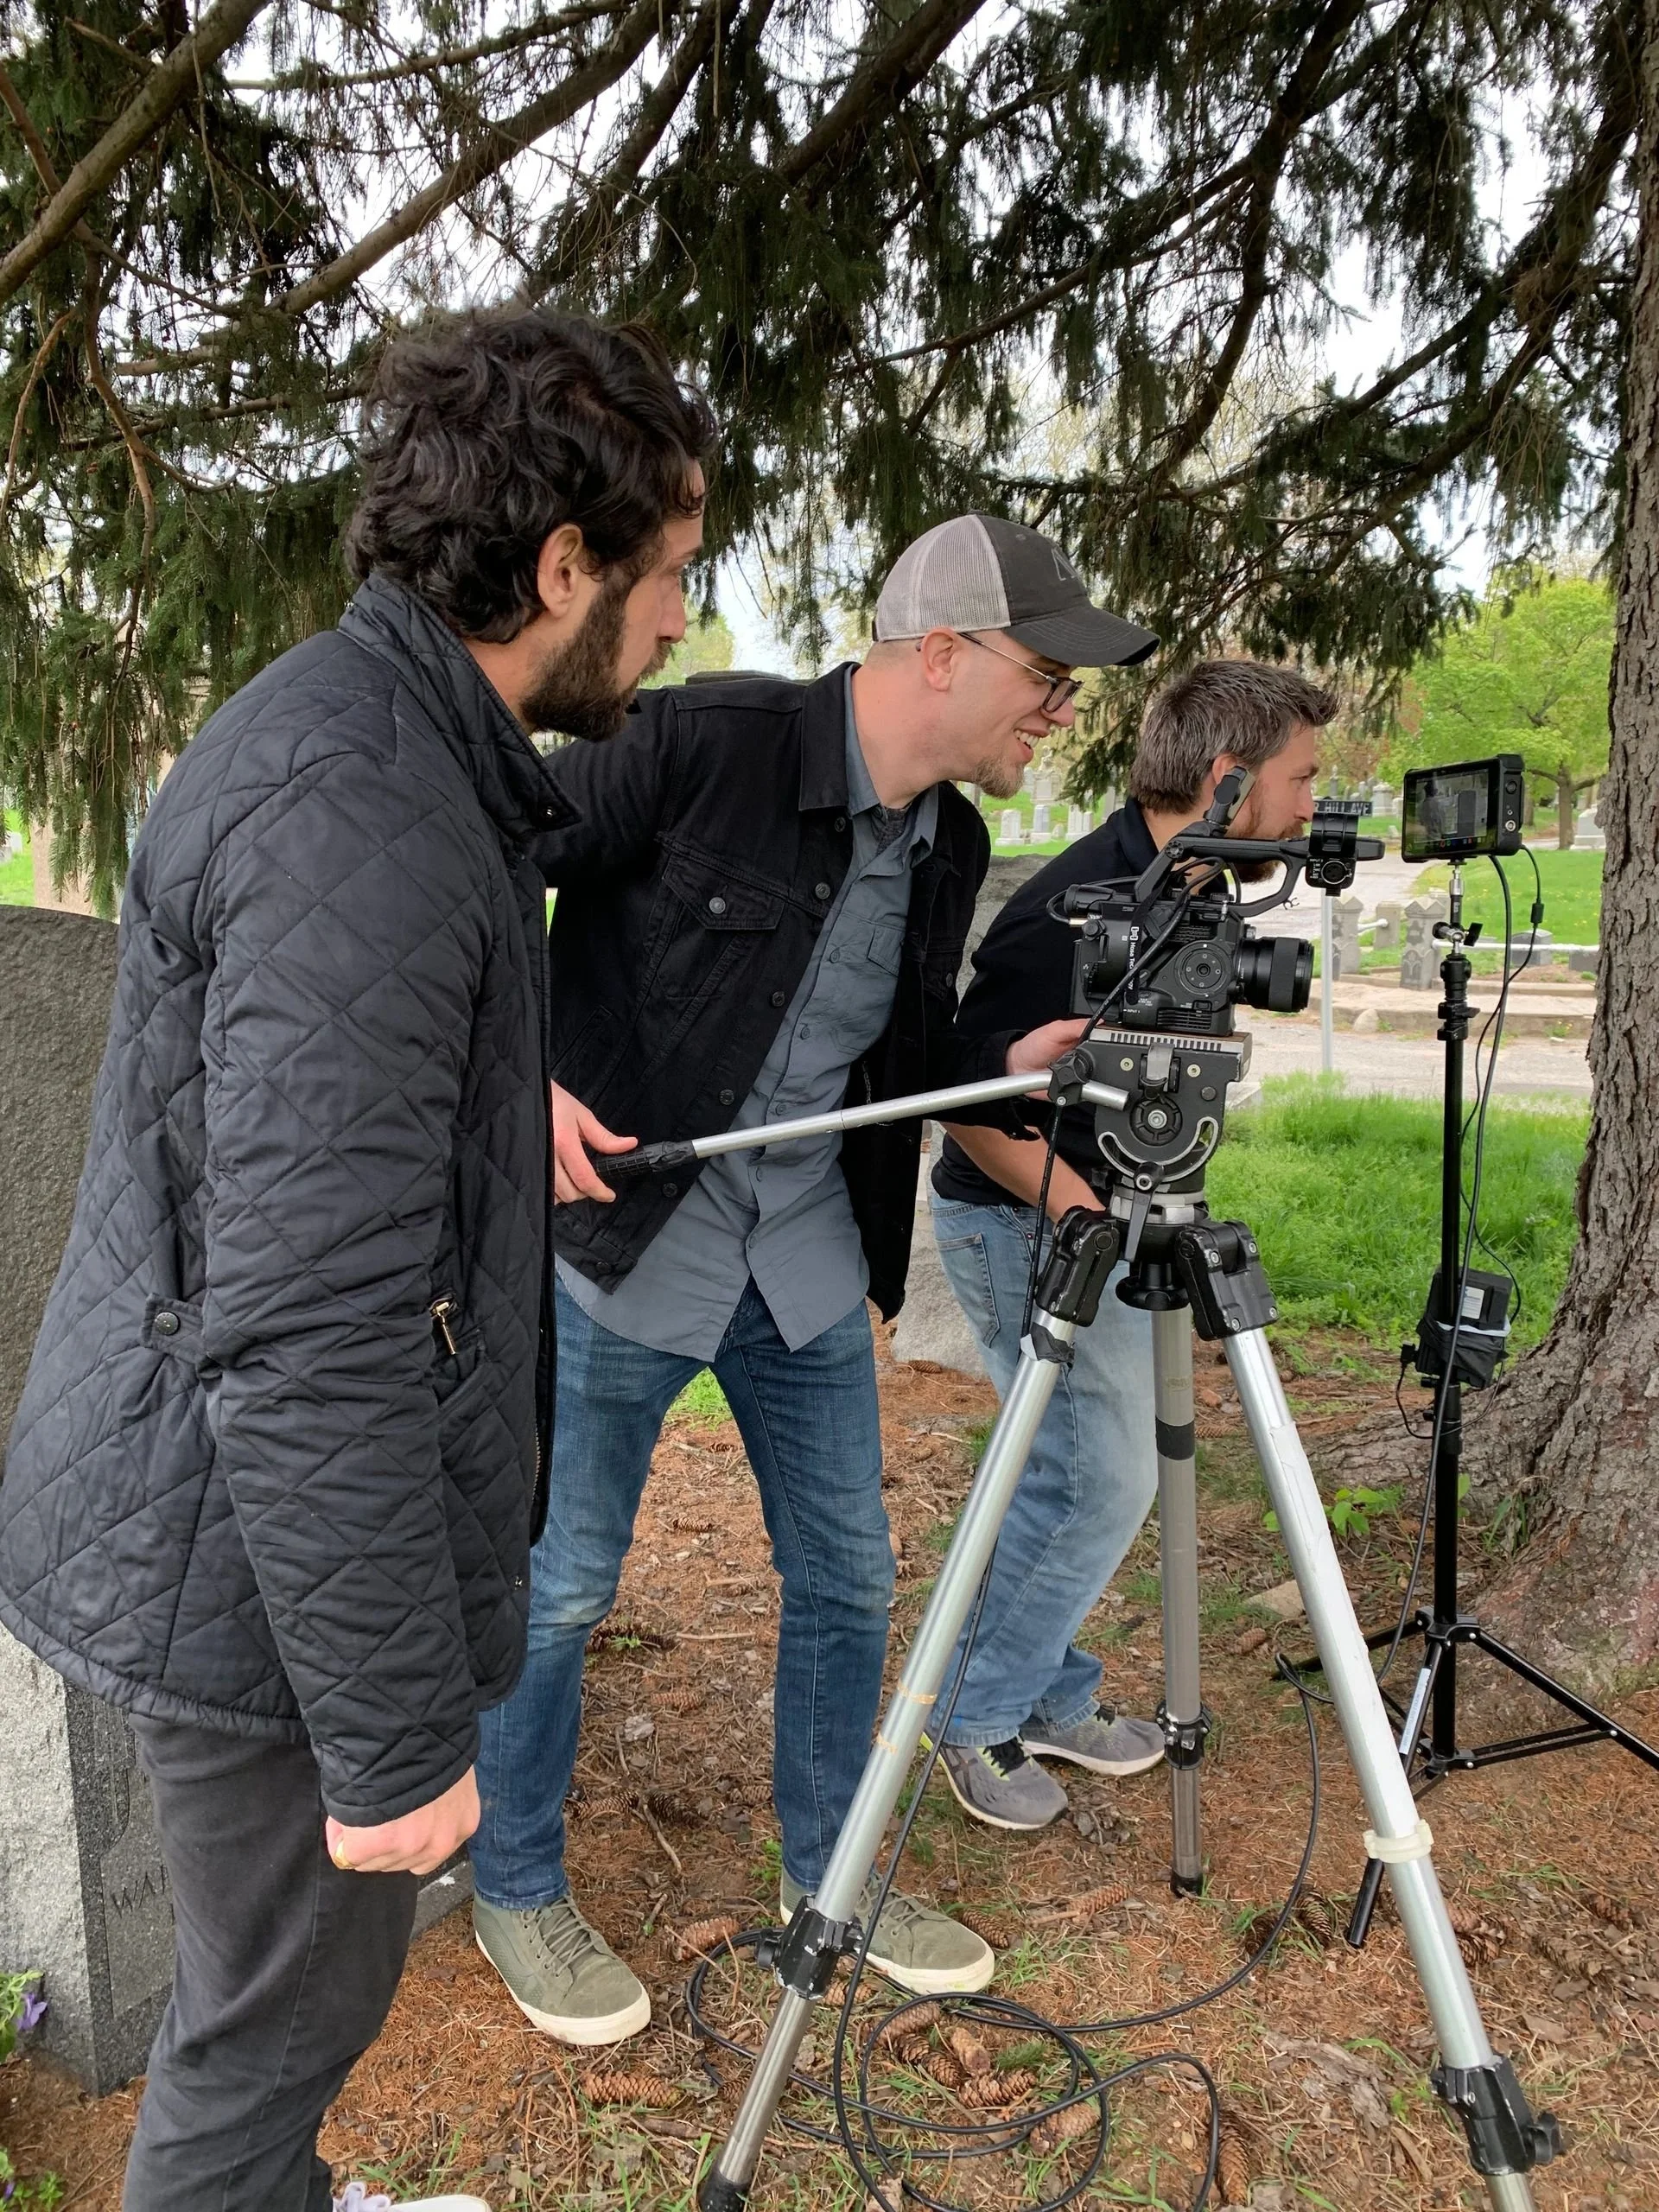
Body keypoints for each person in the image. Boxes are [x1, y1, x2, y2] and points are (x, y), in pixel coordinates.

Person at [0, 308, 715, 2212]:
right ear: (563, 563)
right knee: (269, 2028)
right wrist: (400, 1736)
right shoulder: (374, 798)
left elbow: (315, 1133)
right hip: (257, 1560)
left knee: (277, 2009)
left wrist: (497, 1107)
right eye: (668, 578)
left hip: (239, 1536)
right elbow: (310, 1318)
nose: (672, 627)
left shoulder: (386, 742)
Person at [466, 513, 1160, 2045]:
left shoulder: (955, 847)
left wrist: (1013, 1064)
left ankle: (828, 1874)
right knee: (566, 1584)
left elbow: (912, 1061)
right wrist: (505, 1071)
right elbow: (475, 846)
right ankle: (513, 1883)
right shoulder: (704, 739)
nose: (1061, 710)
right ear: (940, 656)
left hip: (801, 1264)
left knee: (849, 1579)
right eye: (1044, 674)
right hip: (622, 1248)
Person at [928, 659, 1336, 1830]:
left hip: (1120, 1209)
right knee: (1100, 1474)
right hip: (1028, 1216)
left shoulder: (1200, 883)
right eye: (1301, 777)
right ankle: (972, 1714)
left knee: (1078, 1468)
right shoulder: (1078, 908)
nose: (1312, 804)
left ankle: (1048, 1693)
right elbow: (964, 1100)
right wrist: (1082, 1218)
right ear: (1227, 777)